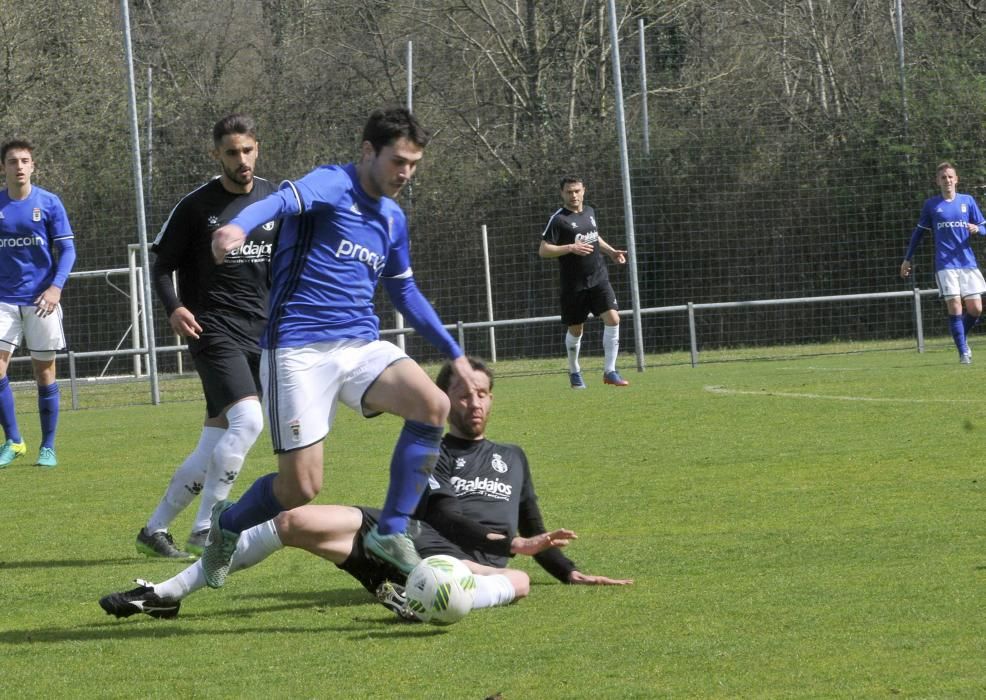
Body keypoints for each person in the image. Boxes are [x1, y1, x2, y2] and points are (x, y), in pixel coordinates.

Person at [98, 356, 630, 621]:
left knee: (518, 581)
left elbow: (535, 527)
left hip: (474, 565)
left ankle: (423, 595)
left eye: (484, 394)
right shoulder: (430, 446)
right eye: (464, 394)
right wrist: (509, 543)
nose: (475, 403)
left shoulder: (513, 456)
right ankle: (167, 594)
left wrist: (569, 571)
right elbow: (438, 511)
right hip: (411, 537)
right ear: (442, 399)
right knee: (290, 520)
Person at [204, 106, 484, 588]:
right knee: (300, 488)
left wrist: (452, 352)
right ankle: (226, 526)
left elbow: (406, 294)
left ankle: (390, 532)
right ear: (368, 151)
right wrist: (238, 227)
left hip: (359, 345)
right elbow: (278, 203)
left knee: (433, 405)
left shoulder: (393, 220)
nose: (405, 173)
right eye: (398, 161)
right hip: (297, 350)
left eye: (414, 164)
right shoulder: (332, 184)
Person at [134, 115, 279, 559]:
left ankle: (154, 530)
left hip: (262, 333)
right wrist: (175, 307)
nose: (242, 160)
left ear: (258, 148)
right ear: (217, 154)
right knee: (249, 422)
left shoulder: (274, 200)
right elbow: (160, 266)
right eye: (232, 152)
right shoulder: (197, 206)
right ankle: (208, 526)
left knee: (214, 442)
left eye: (248, 150)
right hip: (212, 330)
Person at [0, 139, 76, 469]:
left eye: (25, 160)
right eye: (13, 161)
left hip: (41, 300)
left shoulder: (49, 203)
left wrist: (55, 288)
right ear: (2, 167)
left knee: (43, 372)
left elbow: (68, 251)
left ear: (33, 166)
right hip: (3, 299)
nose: (19, 166)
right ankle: (14, 440)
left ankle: (48, 446)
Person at [538, 175, 628, 389]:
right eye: (569, 192)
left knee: (613, 319)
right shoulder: (559, 220)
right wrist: (570, 248)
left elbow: (594, 236)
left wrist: (611, 252)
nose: (574, 195)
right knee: (576, 330)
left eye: (577, 190)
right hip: (574, 284)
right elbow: (543, 250)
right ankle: (574, 371)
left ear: (583, 190)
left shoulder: (589, 212)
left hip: (598, 277)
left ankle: (610, 371)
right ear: (562, 193)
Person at [901, 161, 986, 364]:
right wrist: (907, 258)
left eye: (950, 176)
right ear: (937, 181)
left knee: (976, 309)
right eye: (943, 177)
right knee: (955, 306)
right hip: (945, 265)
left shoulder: (968, 201)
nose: (947, 180)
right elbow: (918, 233)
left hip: (968, 263)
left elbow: (984, 226)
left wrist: (978, 229)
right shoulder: (932, 205)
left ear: (956, 179)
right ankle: (963, 353)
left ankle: (960, 338)